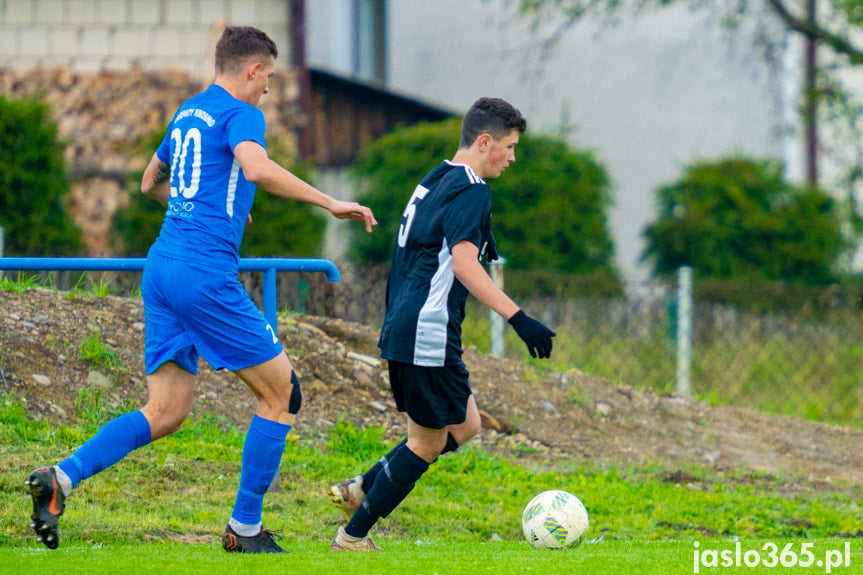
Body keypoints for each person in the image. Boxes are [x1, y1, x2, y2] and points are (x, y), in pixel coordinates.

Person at [26, 26, 377, 554]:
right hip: (202, 275)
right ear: (253, 70)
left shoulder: (189, 110)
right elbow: (255, 167)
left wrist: (206, 203)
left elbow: (151, 182)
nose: (268, 90)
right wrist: (331, 203)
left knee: (165, 411)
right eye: (269, 78)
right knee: (282, 393)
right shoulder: (244, 113)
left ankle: (62, 478)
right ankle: (246, 528)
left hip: (161, 267)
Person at [327, 97, 555, 551]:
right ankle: (353, 537)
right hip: (426, 331)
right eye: (509, 147)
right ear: (485, 141)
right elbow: (465, 266)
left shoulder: (436, 178)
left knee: (466, 425)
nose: (512, 158)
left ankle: (361, 488)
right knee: (426, 444)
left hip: (412, 326)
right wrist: (518, 317)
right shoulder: (473, 190)